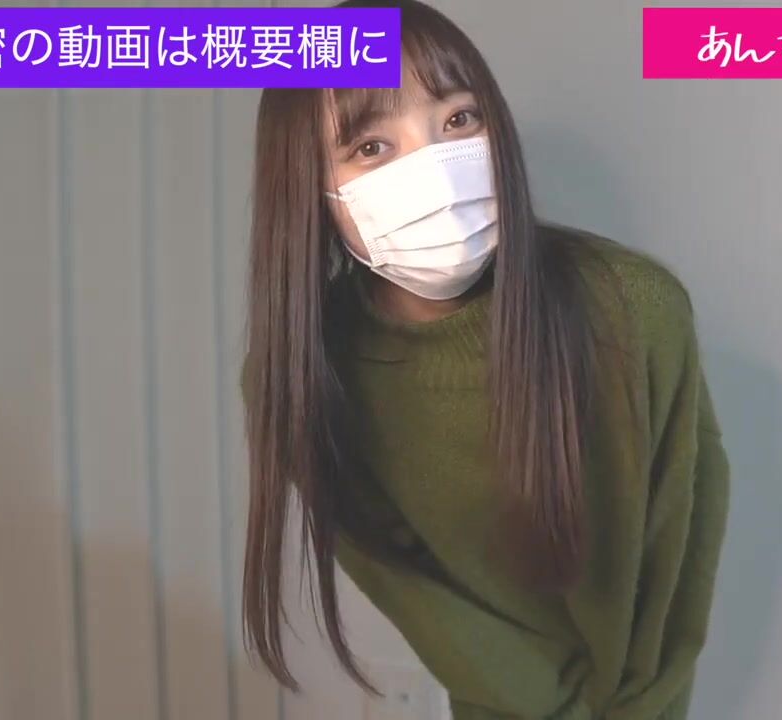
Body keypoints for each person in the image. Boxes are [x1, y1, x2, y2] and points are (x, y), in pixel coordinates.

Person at [238, 1, 730, 717]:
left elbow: (676, 555)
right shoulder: (306, 375)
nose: (436, 171)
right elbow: (419, 595)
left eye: (459, 119)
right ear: (311, 189)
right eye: (371, 147)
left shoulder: (636, 309)